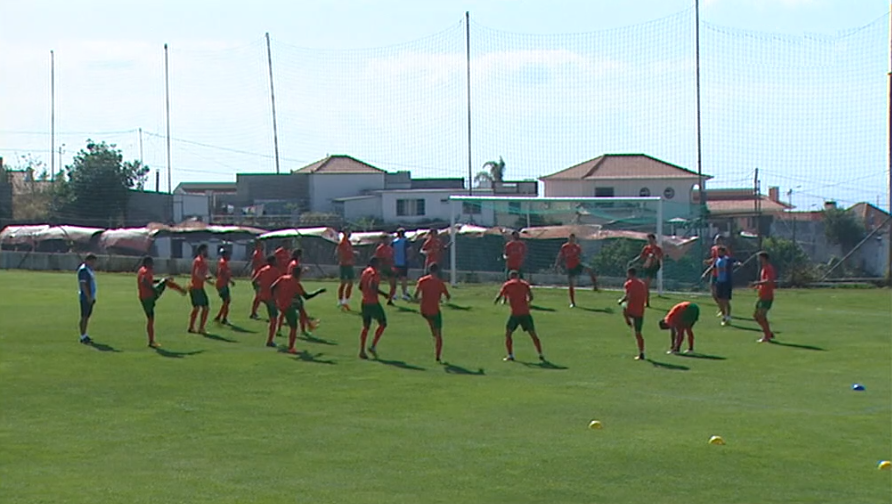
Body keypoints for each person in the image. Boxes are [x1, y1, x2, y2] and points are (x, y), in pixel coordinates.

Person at [271, 269, 326, 354]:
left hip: (279, 303)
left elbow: (272, 287)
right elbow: (307, 296)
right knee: (294, 327)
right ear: (299, 275)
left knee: (299, 305)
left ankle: (309, 324)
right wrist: (318, 291)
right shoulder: (296, 285)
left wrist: (274, 299)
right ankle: (291, 347)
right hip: (287, 306)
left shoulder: (283, 278)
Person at [494, 270, 545, 362]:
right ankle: (540, 353)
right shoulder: (524, 284)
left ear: (510, 276)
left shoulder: (508, 285)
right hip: (525, 313)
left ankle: (510, 355)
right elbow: (531, 297)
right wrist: (527, 303)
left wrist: (497, 301)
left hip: (515, 314)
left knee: (508, 333)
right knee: (533, 334)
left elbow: (500, 295)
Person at [137, 256, 186, 348]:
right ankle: (182, 290)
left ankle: (151, 341)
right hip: (149, 297)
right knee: (150, 319)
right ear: (147, 263)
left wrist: (158, 281)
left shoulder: (142, 270)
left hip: (145, 297)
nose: (153, 265)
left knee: (150, 319)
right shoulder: (146, 271)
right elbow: (144, 281)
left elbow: (148, 281)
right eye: (151, 263)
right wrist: (153, 289)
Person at [414, 263, 451, 363]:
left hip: (424, 310)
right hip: (434, 310)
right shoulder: (440, 283)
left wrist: (420, 300)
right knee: (438, 334)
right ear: (437, 271)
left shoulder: (422, 281)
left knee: (431, 323)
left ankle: (433, 331)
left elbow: (415, 295)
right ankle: (438, 356)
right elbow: (448, 296)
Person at [554, 233, 597, 308]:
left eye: (573, 239)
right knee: (571, 285)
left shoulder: (577, 247)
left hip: (577, 265)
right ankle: (572, 303)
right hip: (570, 267)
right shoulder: (565, 247)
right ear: (568, 239)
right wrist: (557, 264)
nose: (572, 241)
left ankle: (595, 286)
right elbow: (560, 255)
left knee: (590, 270)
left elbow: (580, 256)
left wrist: (581, 261)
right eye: (570, 239)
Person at [358, 257, 389, 360]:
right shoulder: (374, 273)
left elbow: (360, 286)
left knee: (366, 326)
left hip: (364, 302)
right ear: (376, 263)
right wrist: (384, 294)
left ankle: (362, 350)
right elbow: (372, 286)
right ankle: (373, 345)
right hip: (373, 303)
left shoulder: (364, 272)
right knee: (383, 323)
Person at [618, 267, 648, 360]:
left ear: (629, 274)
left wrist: (620, 300)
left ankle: (627, 321)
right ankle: (641, 352)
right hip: (640, 310)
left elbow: (628, 295)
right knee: (638, 333)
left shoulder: (629, 283)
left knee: (623, 306)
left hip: (632, 309)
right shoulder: (642, 284)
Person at [252, 255, 281, 348]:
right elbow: (279, 283)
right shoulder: (276, 271)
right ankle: (270, 340)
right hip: (271, 298)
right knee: (274, 319)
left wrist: (258, 289)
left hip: (262, 295)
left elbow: (254, 281)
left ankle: (253, 313)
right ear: (273, 262)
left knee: (272, 315)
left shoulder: (263, 270)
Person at [751, 251, 777, 343]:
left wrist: (757, 283)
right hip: (762, 295)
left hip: (767, 296)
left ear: (764, 258)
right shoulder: (764, 268)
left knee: (761, 316)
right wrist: (758, 286)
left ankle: (767, 336)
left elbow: (769, 281)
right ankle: (768, 332)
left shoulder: (768, 268)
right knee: (756, 316)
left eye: (760, 258)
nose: (758, 260)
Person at [187, 244, 213, 335]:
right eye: (206, 250)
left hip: (199, 287)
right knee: (200, 307)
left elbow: (205, 272)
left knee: (202, 307)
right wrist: (206, 279)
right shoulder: (198, 261)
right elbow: (197, 274)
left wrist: (209, 279)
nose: (207, 252)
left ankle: (197, 327)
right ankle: (196, 328)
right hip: (195, 287)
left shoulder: (203, 261)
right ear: (202, 251)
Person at [76, 254, 98, 344]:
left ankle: (85, 334)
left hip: (90, 296)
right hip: (85, 297)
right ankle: (82, 336)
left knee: (87, 316)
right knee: (84, 316)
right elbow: (83, 285)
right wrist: (88, 296)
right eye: (92, 261)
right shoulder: (84, 270)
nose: (93, 263)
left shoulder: (89, 270)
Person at [638, 233, 664, 307]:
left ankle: (646, 302)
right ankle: (645, 301)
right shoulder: (646, 248)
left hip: (653, 268)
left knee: (646, 284)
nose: (650, 241)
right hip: (646, 267)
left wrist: (655, 257)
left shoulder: (657, 249)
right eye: (649, 240)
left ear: (654, 240)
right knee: (644, 285)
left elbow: (660, 257)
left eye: (651, 240)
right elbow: (642, 256)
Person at [213, 248, 236, 325]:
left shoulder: (224, 262)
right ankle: (223, 318)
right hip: (222, 284)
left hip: (223, 284)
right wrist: (230, 280)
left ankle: (219, 317)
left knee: (226, 301)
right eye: (228, 254)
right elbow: (223, 273)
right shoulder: (223, 263)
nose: (229, 256)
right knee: (227, 301)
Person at [336, 230, 357, 310]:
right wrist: (342, 260)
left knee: (350, 283)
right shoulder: (342, 243)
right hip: (344, 265)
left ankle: (346, 300)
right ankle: (340, 300)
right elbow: (338, 253)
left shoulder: (349, 243)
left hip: (349, 265)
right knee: (343, 283)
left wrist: (354, 253)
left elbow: (349, 252)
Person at [713, 246, 734, 326]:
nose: (718, 253)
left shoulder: (727, 259)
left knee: (726, 300)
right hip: (719, 281)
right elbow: (714, 267)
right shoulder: (717, 260)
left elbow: (732, 262)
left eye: (719, 251)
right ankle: (724, 315)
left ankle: (728, 316)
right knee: (719, 300)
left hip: (726, 282)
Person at [375, 234, 397, 305]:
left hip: (389, 267)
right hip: (382, 268)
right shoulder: (379, 249)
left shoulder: (390, 249)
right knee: (375, 284)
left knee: (393, 284)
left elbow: (392, 258)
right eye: (386, 239)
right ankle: (375, 298)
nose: (388, 241)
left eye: (388, 239)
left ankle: (390, 299)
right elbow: (378, 259)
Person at [392, 228, 413, 300]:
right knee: (404, 278)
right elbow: (409, 250)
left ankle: (393, 294)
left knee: (395, 279)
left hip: (395, 262)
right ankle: (404, 294)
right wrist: (409, 258)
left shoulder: (394, 242)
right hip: (403, 262)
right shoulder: (406, 241)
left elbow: (391, 251)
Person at [249, 241, 265, 319]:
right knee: (258, 295)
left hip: (259, 275)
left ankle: (254, 312)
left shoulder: (260, 253)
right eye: (261, 244)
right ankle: (253, 312)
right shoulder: (258, 253)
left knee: (260, 295)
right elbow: (258, 265)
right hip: (257, 276)